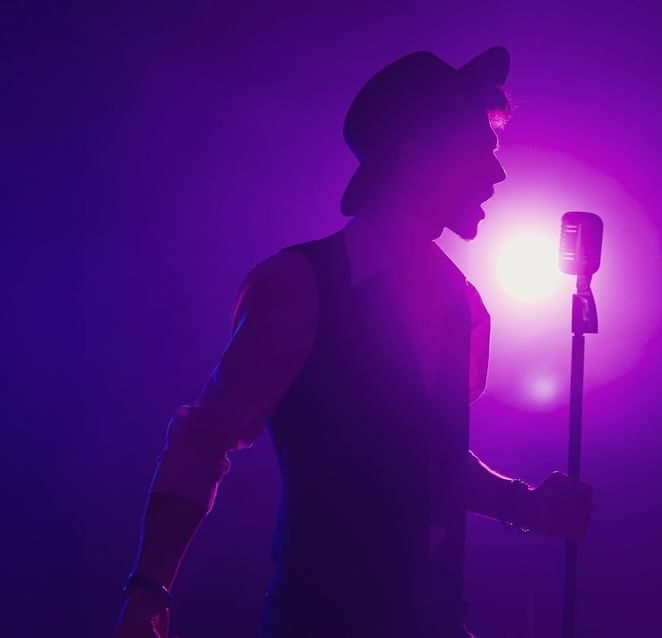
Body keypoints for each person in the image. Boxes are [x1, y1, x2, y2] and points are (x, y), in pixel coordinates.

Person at [114, 46, 593, 638]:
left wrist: (524, 505)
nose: (497, 175)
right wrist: (148, 586)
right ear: (418, 158)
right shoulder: (299, 285)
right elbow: (203, 441)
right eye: (478, 153)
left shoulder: (463, 305)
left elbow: (428, 460)